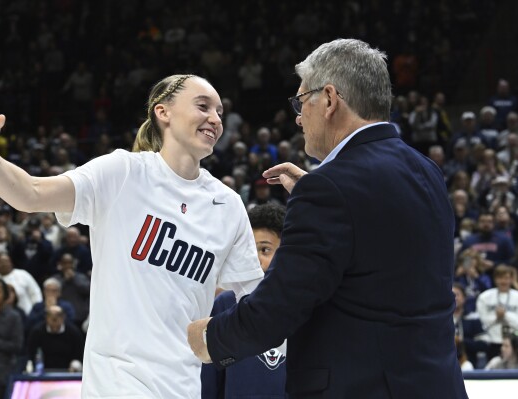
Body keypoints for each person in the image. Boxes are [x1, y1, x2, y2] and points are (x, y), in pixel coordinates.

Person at [187, 38, 468, 398]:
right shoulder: (425, 169)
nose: (298, 116)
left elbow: (275, 311)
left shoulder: (331, 190)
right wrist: (321, 194)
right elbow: (384, 264)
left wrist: (207, 338)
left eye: (301, 101)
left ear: (331, 99)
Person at [0, 74, 264, 398]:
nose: (215, 119)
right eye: (203, 106)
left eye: (220, 111)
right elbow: (32, 193)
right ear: (163, 112)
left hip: (183, 388)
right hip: (116, 384)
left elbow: (258, 300)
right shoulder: (124, 173)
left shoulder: (227, 205)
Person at [201, 203, 287, 398]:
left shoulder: (304, 305)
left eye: (265, 250)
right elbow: (209, 380)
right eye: (250, 250)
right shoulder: (224, 304)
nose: (255, 259)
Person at [26, 305, 84, 371]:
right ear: (46, 318)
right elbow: (31, 354)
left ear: (63, 318)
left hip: (68, 371)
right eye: (51, 318)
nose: (54, 321)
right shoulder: (37, 332)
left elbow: (79, 355)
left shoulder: (74, 333)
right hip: (42, 372)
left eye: (57, 317)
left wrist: (75, 365)